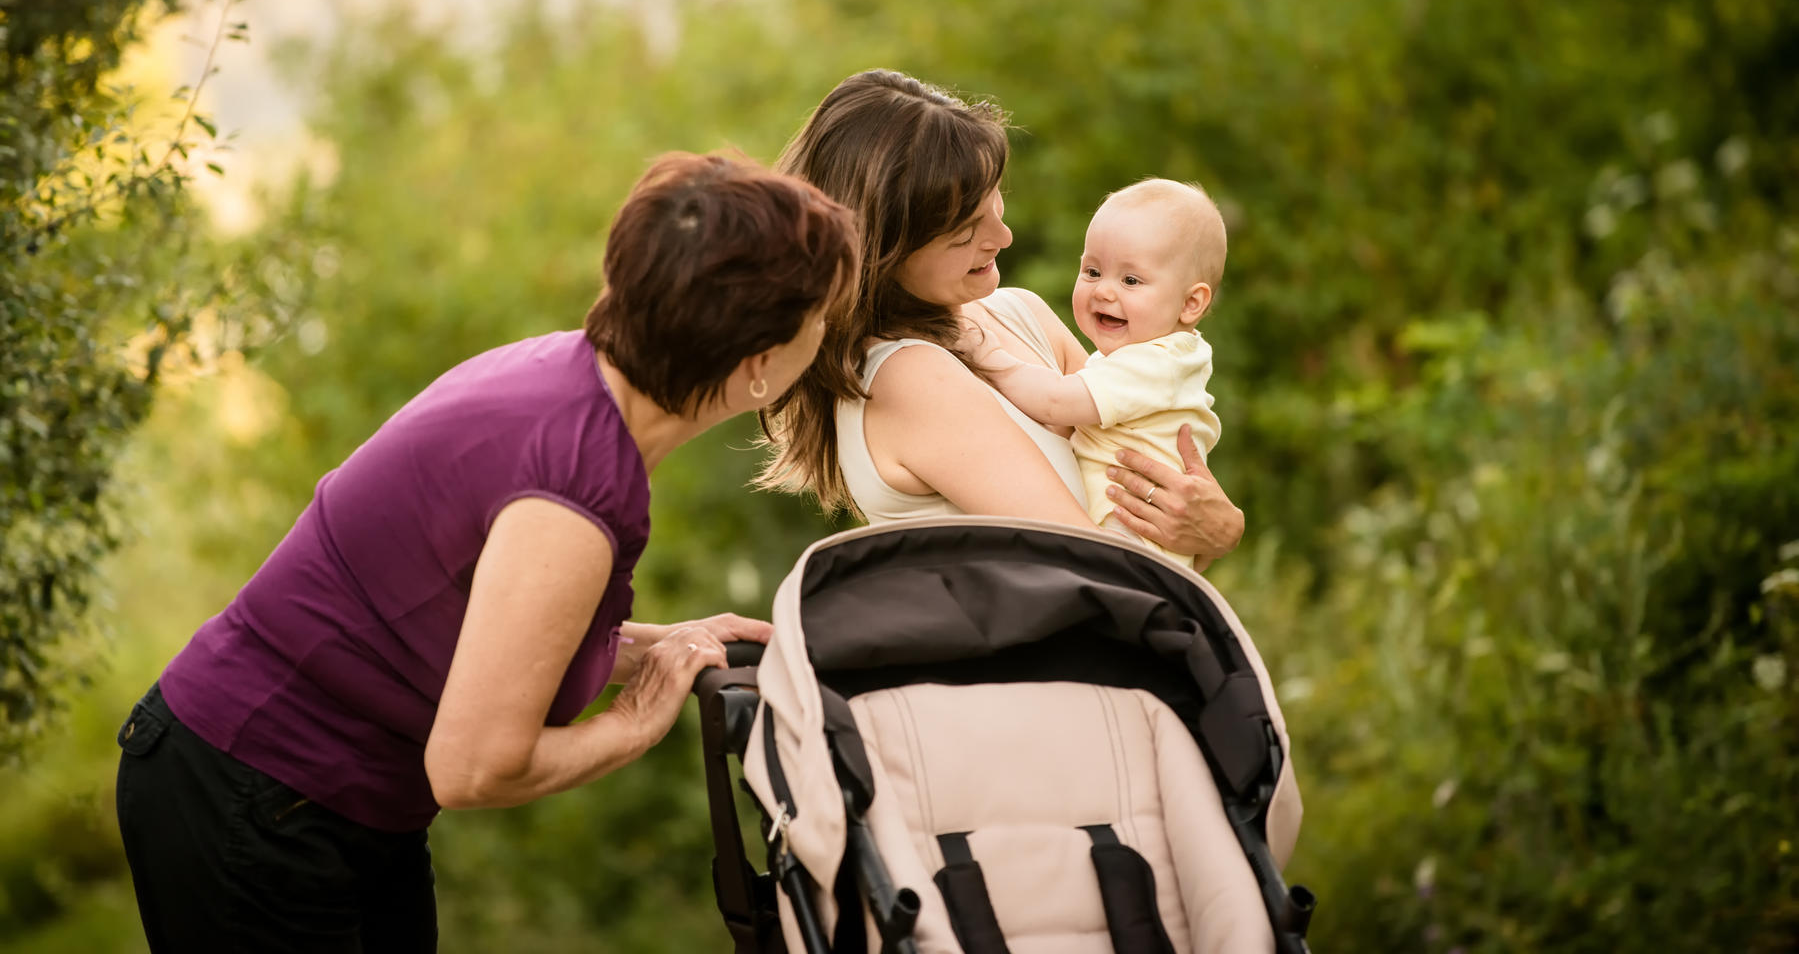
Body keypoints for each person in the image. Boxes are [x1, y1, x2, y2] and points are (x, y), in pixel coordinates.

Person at [114, 152, 858, 953]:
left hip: (319, 803)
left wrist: (653, 650)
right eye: (820, 316)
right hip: (255, 796)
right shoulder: (571, 493)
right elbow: (472, 767)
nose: (827, 332)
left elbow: (471, 633)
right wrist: (637, 724)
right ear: (759, 365)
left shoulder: (570, 378)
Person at [758, 70, 1244, 565]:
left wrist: (1221, 528)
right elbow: (1103, 568)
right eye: (967, 230)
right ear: (886, 249)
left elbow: (1157, 484)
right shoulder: (908, 375)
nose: (1002, 236)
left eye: (993, 197)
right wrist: (1214, 536)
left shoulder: (1021, 313)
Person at [972, 178, 1227, 567]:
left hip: (1130, 538)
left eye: (1130, 280)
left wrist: (987, 354)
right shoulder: (1152, 358)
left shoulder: (1158, 363)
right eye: (1092, 271)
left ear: (1191, 302)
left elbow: (1055, 402)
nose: (1104, 292)